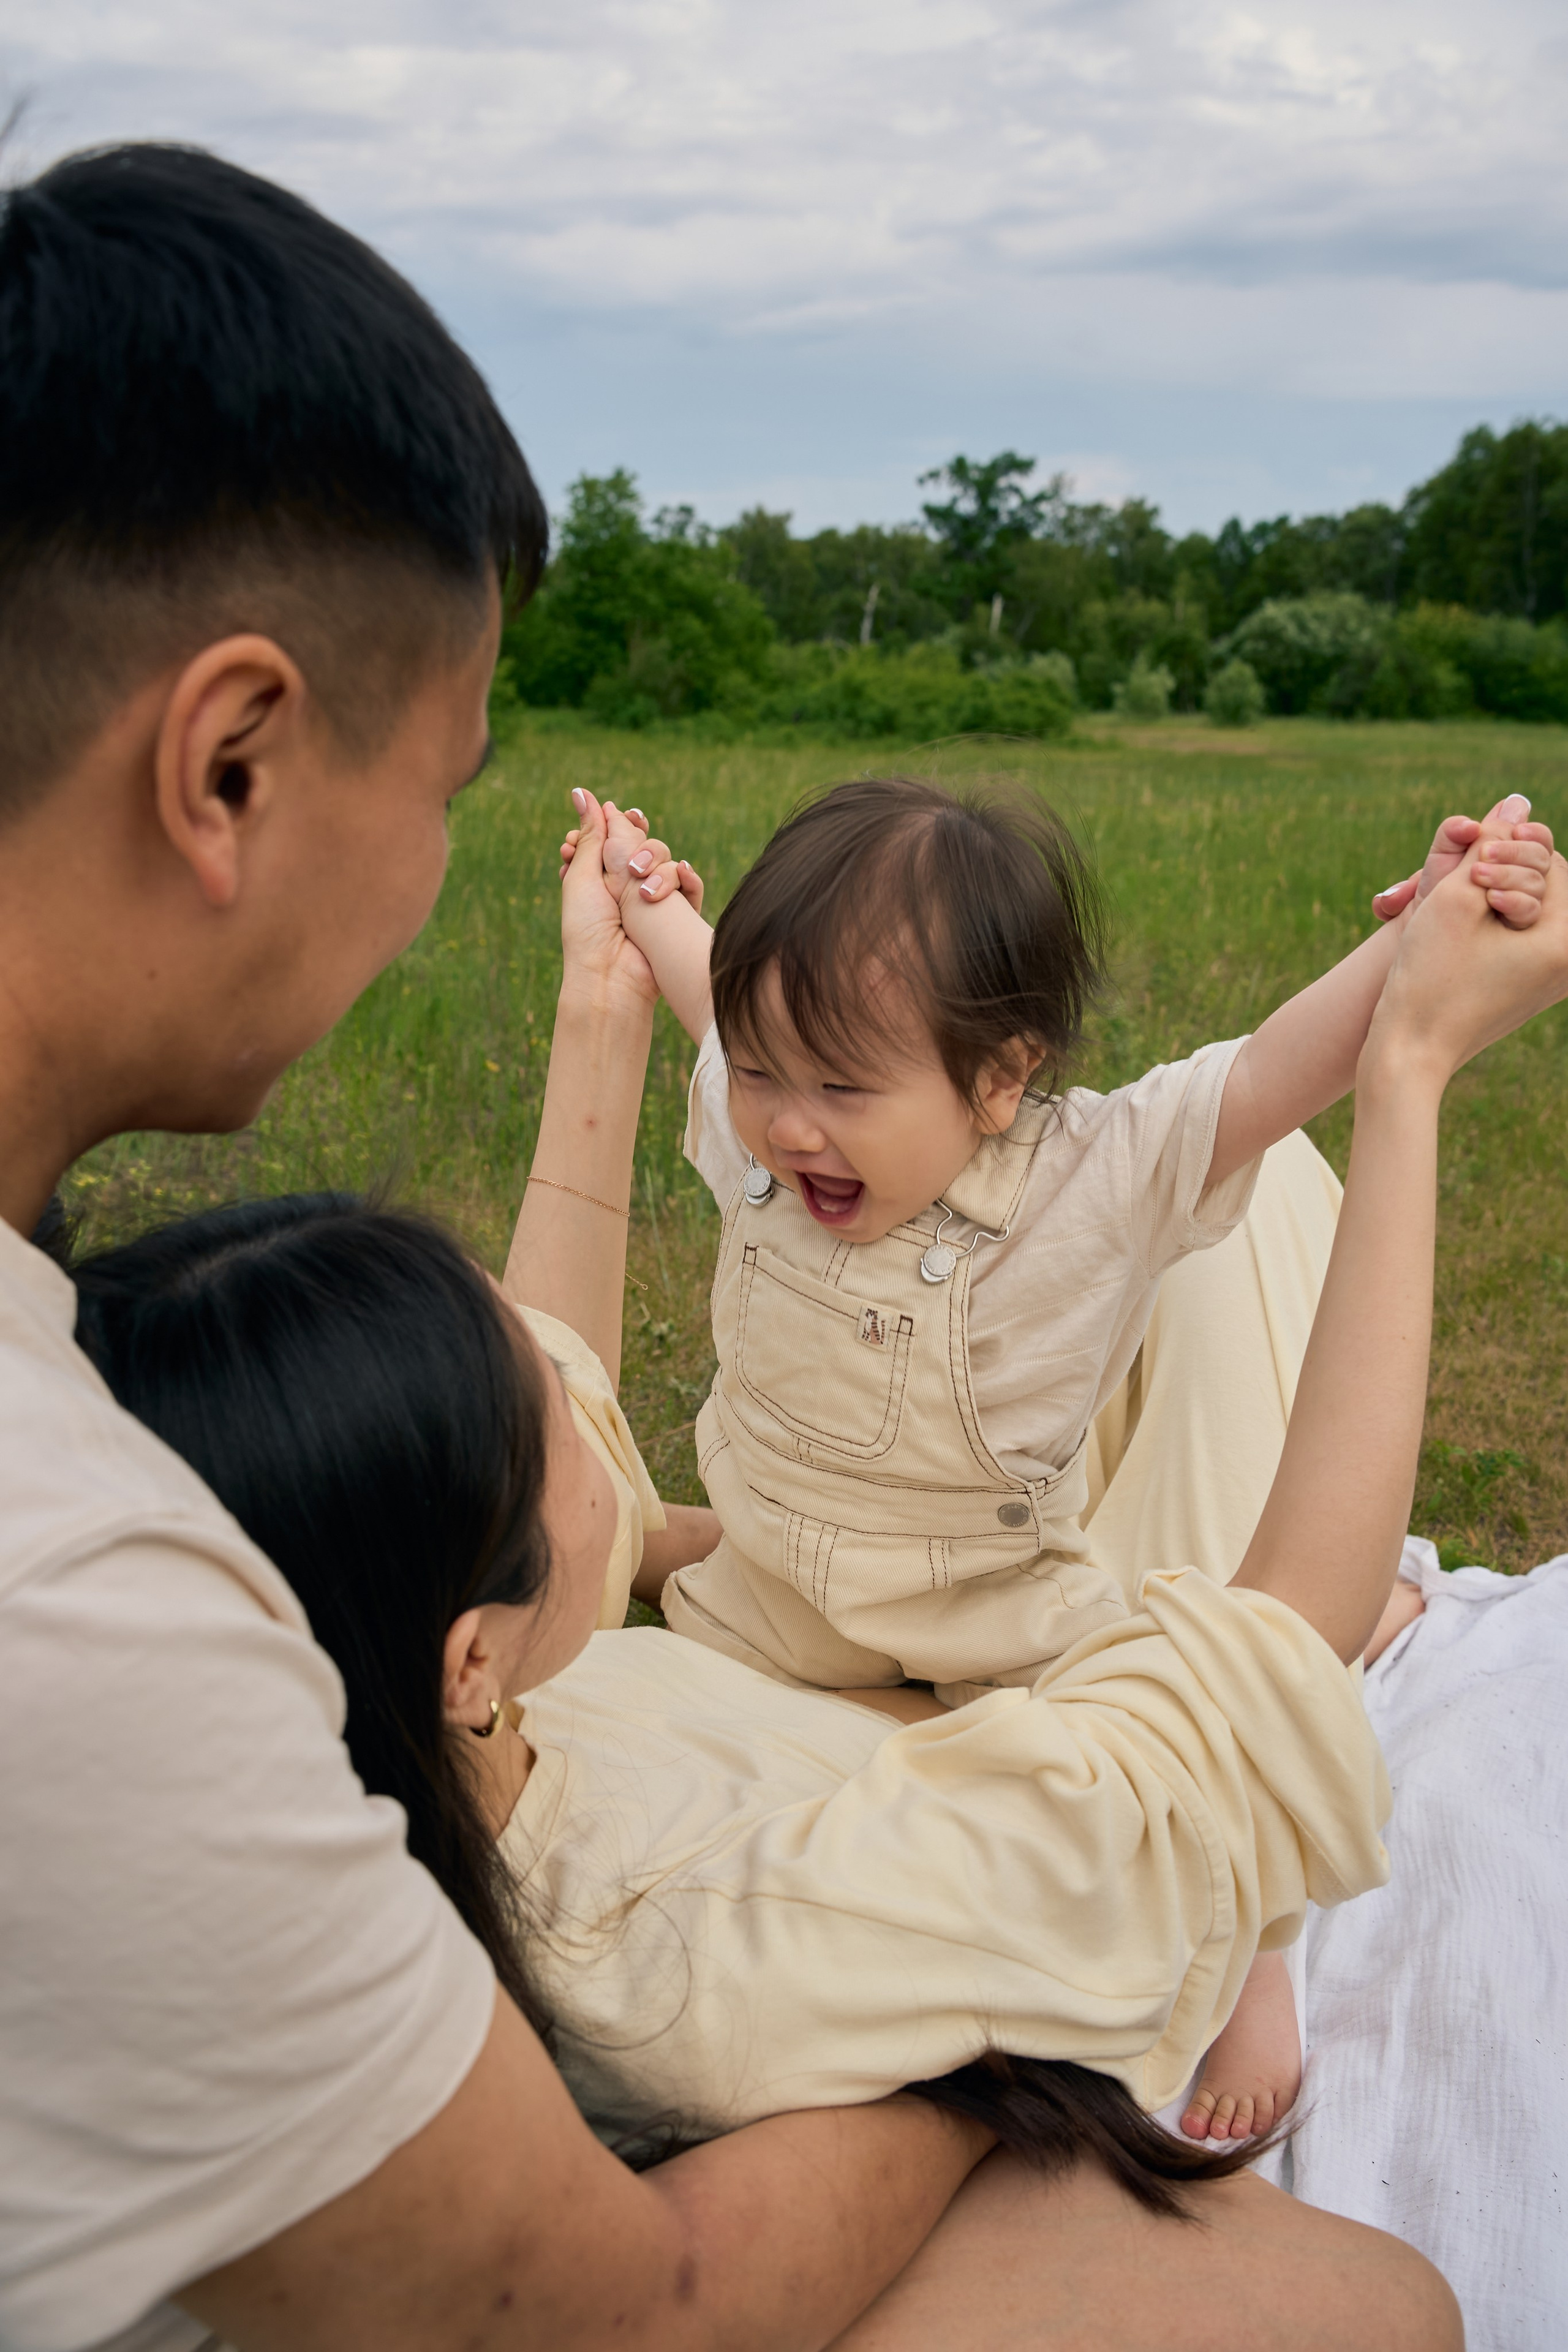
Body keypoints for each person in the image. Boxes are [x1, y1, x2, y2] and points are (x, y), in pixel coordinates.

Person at [73, 802, 1568, 2350]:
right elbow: (1256, 1674)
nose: (593, 1397)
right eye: (552, 1420)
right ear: (469, 1657)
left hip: (946, 1583)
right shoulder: (707, 1931)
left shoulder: (449, 1702)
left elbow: (609, 1271)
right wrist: (1410, 1068)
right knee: (1272, 1229)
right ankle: (1263, 1927)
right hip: (993, 1726)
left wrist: (609, 994)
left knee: (1219, 1230)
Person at [0, 142, 1002, 2352]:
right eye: (443, 785)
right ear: (231, 765)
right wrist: (991, 2070)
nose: (438, 859)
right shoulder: (75, 1605)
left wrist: (592, 1019)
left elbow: (538, 1407)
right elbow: (611, 2318)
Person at [565, 772, 1552, 2146]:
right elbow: (701, 993)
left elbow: (1269, 1072)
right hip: (769, 1609)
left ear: (999, 1075)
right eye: (765, 1072)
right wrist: (643, 894)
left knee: (1164, 1748)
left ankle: (1253, 1944)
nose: (788, 1125)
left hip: (996, 1631)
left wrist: (1422, 931)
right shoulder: (763, 1141)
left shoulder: (1076, 1183)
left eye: (841, 1086)